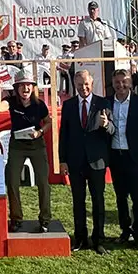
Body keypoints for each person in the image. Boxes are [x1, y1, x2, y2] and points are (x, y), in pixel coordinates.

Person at [58, 70, 115, 254]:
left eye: (86, 84)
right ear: (75, 86)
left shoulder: (103, 103)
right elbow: (64, 134)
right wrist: (63, 160)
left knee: (98, 201)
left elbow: (113, 130)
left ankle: (98, 240)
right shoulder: (68, 105)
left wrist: (106, 125)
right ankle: (80, 238)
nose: (83, 88)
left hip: (96, 161)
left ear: (92, 83)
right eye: (80, 85)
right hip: (75, 161)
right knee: (78, 201)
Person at [0, 70, 51, 233]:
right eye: (22, 85)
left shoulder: (39, 104)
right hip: (17, 146)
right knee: (12, 181)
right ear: (17, 88)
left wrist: (40, 132)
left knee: (43, 182)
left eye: (29, 85)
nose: (26, 88)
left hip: (36, 145)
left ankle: (45, 219)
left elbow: (48, 122)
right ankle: (16, 219)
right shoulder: (11, 101)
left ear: (33, 87)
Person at [107, 70, 138, 251]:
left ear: (131, 83)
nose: (121, 85)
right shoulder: (106, 102)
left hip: (135, 157)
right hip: (116, 156)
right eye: (117, 82)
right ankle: (125, 231)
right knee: (121, 197)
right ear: (113, 84)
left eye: (124, 81)